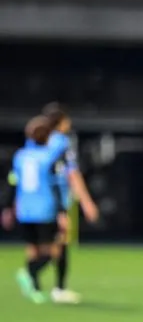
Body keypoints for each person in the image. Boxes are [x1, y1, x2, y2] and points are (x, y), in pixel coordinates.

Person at [1, 117, 68, 304]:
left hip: (25, 210)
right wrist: (62, 212)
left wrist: (8, 208)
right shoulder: (50, 157)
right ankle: (29, 273)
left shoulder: (20, 157)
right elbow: (55, 186)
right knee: (53, 250)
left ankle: (35, 289)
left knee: (33, 249)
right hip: (45, 209)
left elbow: (13, 183)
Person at [41, 103, 100, 304]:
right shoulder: (62, 143)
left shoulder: (40, 141)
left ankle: (39, 280)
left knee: (45, 241)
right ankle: (51, 284)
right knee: (60, 241)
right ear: (60, 122)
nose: (70, 124)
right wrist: (87, 202)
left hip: (36, 198)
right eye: (67, 120)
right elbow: (72, 173)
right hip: (57, 198)